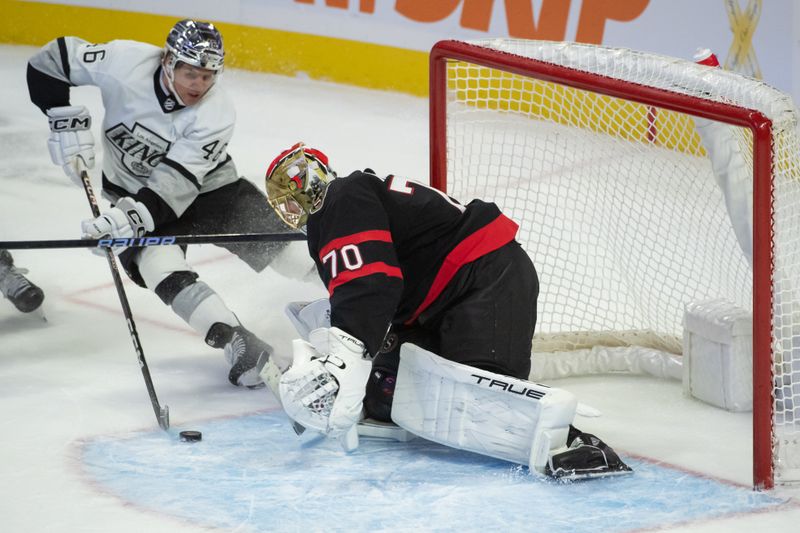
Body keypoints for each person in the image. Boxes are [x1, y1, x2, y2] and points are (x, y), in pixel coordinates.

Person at [263, 143, 632, 479]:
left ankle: (577, 447)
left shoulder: (343, 197)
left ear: (306, 182)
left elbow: (371, 285)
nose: (290, 209)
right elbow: (362, 289)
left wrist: (345, 359)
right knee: (386, 392)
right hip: (435, 300)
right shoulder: (333, 217)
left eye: (290, 197)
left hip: (485, 277)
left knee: (480, 403)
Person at [26, 19, 292, 387]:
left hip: (211, 191)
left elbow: (175, 185)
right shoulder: (123, 61)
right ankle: (239, 341)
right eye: (190, 73)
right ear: (168, 61)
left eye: (207, 76)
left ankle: (359, 308)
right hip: (134, 195)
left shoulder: (215, 113)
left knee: (289, 252)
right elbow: (50, 61)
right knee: (159, 269)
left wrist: (125, 221)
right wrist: (60, 114)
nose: (198, 85)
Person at [0, 249, 44, 313]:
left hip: (26, 300)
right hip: (27, 299)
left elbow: (7, 256)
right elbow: (7, 257)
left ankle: (27, 295)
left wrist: (4, 254)